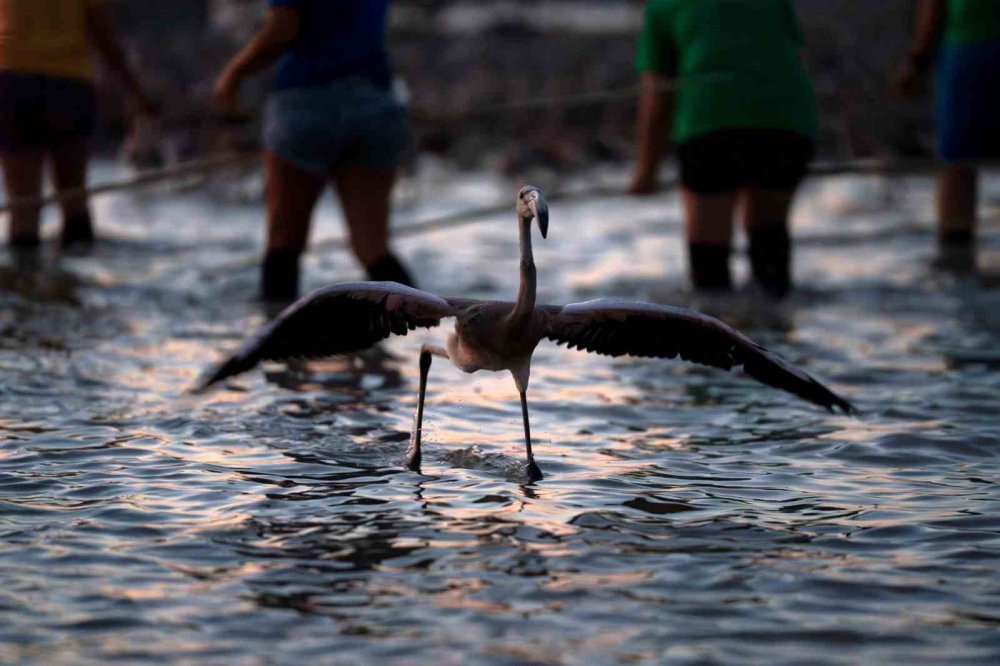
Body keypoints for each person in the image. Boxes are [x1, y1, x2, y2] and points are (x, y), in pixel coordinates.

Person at [214, 0, 416, 303]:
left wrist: (233, 74)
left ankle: (273, 330)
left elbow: (282, 29)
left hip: (308, 104)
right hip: (376, 104)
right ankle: (432, 322)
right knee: (373, 248)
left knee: (284, 243)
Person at [628, 0, 818, 298]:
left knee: (710, 275)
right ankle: (777, 323)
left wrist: (646, 173)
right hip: (787, 121)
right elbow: (796, 57)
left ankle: (723, 323)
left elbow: (657, 97)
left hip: (710, 123)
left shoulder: (662, 7)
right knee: (770, 256)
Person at [0, 0, 153, 249]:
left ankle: (23, 272)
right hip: (68, 83)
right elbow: (102, 31)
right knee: (74, 199)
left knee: (23, 207)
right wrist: (135, 92)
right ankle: (78, 269)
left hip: (13, 80)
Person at [893, 0, 1000, 271]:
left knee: (958, 165)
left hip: (969, 44)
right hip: (970, 42)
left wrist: (916, 61)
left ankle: (956, 268)